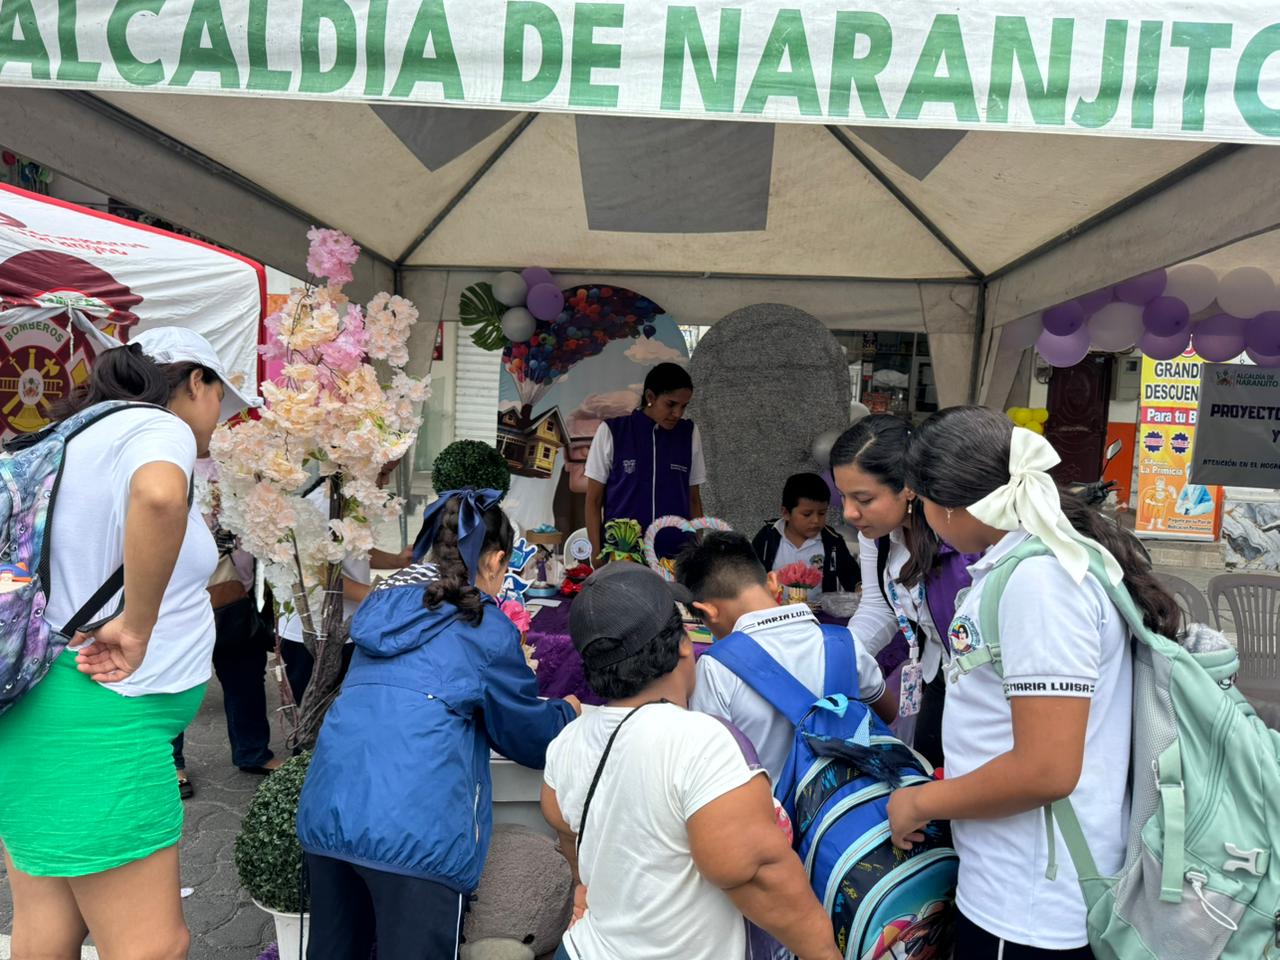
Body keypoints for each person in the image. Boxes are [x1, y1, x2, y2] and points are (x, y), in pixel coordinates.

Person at [0, 326, 258, 960]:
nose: (218, 418)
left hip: (48, 711)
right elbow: (160, 497)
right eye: (219, 399)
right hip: (101, 721)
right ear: (195, 381)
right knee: (153, 946)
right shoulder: (156, 425)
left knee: (49, 928)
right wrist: (136, 626)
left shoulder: (77, 435)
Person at [887, 406, 1180, 959]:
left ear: (947, 504)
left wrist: (921, 802)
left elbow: (1046, 769)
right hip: (1021, 878)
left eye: (919, 500)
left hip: (1027, 899)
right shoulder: (1037, 562)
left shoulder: (1040, 582)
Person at [296, 489, 580, 959]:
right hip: (416, 836)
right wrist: (567, 711)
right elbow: (527, 737)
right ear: (495, 560)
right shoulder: (485, 626)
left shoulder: (382, 609)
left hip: (329, 812)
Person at [541, 562, 843, 960]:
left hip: (586, 950)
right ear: (684, 644)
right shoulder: (701, 743)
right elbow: (764, 879)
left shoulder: (566, 743)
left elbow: (571, 841)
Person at [678, 530, 894, 781]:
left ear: (708, 612)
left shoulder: (715, 667)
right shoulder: (844, 641)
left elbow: (710, 763)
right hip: (849, 798)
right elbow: (887, 713)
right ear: (773, 582)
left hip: (770, 804)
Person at [831, 415, 977, 770]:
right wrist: (838, 658)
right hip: (937, 673)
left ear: (909, 487)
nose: (849, 513)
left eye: (864, 498)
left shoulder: (960, 538)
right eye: (844, 497)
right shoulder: (876, 536)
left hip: (981, 683)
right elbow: (879, 608)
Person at [276, 457, 412, 704]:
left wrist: (397, 561)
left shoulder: (349, 503)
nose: (385, 482)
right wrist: (381, 596)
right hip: (312, 633)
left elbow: (356, 553)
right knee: (314, 714)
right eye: (382, 473)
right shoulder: (321, 506)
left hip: (343, 627)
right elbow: (321, 577)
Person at [584, 362, 705, 564]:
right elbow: (593, 501)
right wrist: (596, 555)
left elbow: (693, 499)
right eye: (671, 404)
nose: (678, 413)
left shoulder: (689, 434)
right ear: (650, 397)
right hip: (623, 557)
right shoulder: (612, 431)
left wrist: (697, 550)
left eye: (684, 406)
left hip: (676, 558)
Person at [750, 471, 860, 601]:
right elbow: (749, 572)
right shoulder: (767, 537)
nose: (816, 520)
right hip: (774, 609)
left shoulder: (832, 541)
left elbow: (851, 576)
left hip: (818, 610)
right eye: (807, 514)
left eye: (822, 513)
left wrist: (859, 588)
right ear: (786, 513)